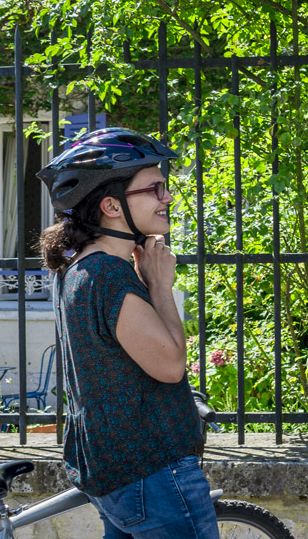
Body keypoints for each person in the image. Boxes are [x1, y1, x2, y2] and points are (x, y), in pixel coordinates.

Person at [37, 127, 218, 538]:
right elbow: (171, 366)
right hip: (152, 473)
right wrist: (159, 287)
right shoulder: (107, 276)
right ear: (111, 205)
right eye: (154, 189)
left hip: (118, 473)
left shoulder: (79, 268)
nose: (167, 198)